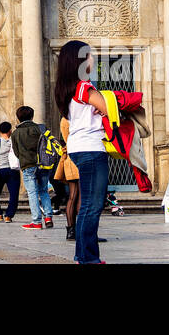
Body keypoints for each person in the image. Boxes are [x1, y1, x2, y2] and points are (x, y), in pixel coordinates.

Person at [55, 40, 110, 264]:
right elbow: (112, 109)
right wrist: (106, 104)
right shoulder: (84, 87)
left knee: (87, 203)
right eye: (89, 55)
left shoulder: (69, 89)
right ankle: (87, 258)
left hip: (80, 147)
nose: (93, 59)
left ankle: (83, 255)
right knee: (92, 204)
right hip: (91, 148)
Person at [11, 105, 54, 229]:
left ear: (18, 118)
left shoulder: (16, 133)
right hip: (44, 164)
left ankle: (36, 221)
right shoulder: (40, 128)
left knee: (32, 193)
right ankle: (48, 216)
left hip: (28, 165)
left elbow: (16, 152)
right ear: (32, 116)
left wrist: (24, 158)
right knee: (44, 191)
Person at [54, 117, 80, 240]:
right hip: (81, 156)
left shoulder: (65, 119)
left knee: (72, 196)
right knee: (83, 197)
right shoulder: (77, 117)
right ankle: (83, 230)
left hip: (70, 158)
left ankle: (71, 231)